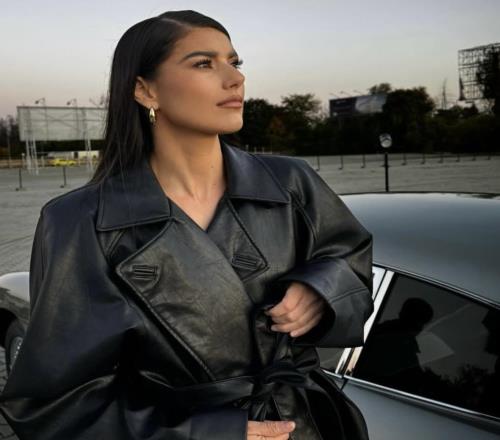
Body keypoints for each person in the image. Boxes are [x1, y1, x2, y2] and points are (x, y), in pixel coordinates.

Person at [0, 10, 375, 440]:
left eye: (234, 62)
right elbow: (53, 405)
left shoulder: (290, 182)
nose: (235, 79)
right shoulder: (79, 220)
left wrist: (322, 290)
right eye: (203, 63)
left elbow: (351, 256)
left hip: (308, 424)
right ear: (145, 90)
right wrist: (209, 433)